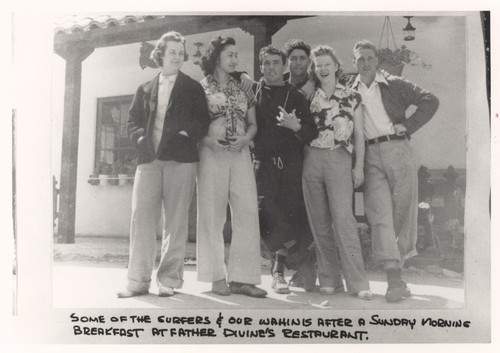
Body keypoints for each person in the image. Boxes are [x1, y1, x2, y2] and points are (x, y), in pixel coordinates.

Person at [117, 31, 210, 298]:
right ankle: (137, 280)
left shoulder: (192, 87)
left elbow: (202, 121)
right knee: (142, 219)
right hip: (149, 161)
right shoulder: (144, 88)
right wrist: (141, 137)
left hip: (180, 162)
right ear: (161, 54)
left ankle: (169, 280)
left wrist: (186, 133)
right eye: (173, 52)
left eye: (181, 53)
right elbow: (131, 122)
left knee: (176, 223)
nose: (177, 57)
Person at [350, 40, 439, 302]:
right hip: (369, 155)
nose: (365, 63)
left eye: (369, 58)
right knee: (379, 215)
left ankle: (397, 274)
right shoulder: (349, 87)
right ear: (353, 62)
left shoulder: (394, 83)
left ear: (376, 60)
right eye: (359, 59)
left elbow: (430, 100)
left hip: (397, 149)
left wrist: (409, 125)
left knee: (402, 211)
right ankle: (393, 280)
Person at [196, 35, 267, 298]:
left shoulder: (243, 87)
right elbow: (194, 125)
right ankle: (216, 276)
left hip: (240, 153)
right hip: (211, 152)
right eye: (230, 55)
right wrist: (207, 140)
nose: (235, 59)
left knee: (247, 210)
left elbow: (253, 123)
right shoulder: (200, 88)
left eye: (237, 55)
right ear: (216, 58)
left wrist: (246, 139)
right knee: (213, 215)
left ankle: (243, 278)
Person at [302, 45, 372, 300]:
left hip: (340, 159)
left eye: (326, 64)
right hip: (311, 159)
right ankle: (329, 279)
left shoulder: (352, 96)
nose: (322, 68)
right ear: (314, 68)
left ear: (336, 66)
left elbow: (360, 137)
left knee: (344, 221)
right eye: (318, 65)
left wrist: (359, 167)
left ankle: (358, 282)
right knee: (319, 222)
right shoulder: (308, 96)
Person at [253, 45, 317, 294]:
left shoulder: (296, 95)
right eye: (267, 63)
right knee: (266, 215)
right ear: (261, 67)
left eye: (276, 63)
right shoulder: (254, 92)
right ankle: (289, 264)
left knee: (290, 215)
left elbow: (311, 131)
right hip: (264, 165)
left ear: (284, 66)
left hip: (291, 164)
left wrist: (295, 127)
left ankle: (285, 269)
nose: (271, 68)